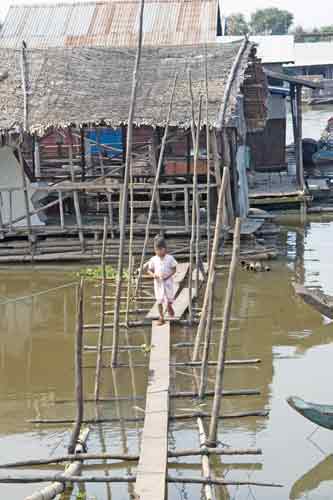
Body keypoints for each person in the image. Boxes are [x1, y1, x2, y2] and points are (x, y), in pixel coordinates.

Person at [147, 236, 177, 325]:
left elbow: (174, 269)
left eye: (161, 250)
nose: (159, 252)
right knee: (159, 300)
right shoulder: (153, 259)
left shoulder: (170, 258)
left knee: (169, 299)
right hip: (158, 283)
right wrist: (154, 275)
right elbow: (149, 270)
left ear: (165, 249)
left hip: (168, 282)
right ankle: (161, 317)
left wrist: (168, 276)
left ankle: (169, 306)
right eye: (157, 250)